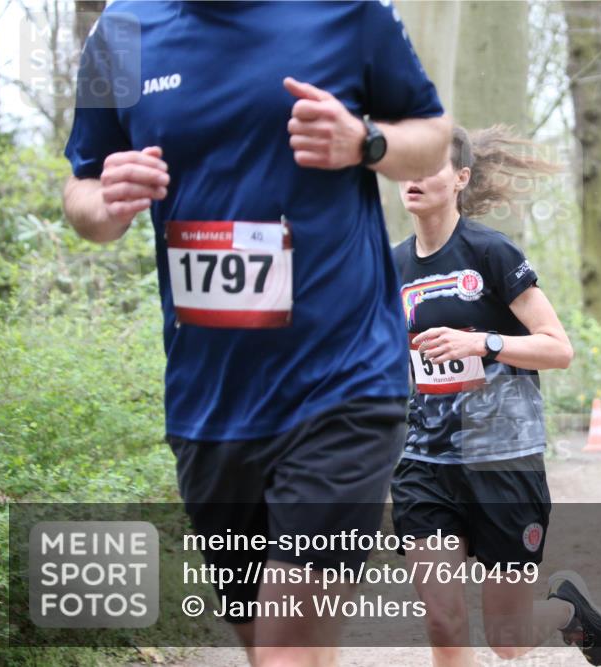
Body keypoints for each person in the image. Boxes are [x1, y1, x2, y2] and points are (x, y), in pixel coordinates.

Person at [62, 3, 451, 665]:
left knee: (284, 651)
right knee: (272, 648)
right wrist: (108, 200)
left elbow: (435, 135)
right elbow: (82, 192)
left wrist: (367, 142)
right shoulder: (120, 34)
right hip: (209, 404)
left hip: (342, 382)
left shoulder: (350, 13)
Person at [391, 126, 601, 666]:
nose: (414, 177)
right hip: (426, 464)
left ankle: (565, 610)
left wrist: (482, 342)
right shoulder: (391, 267)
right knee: (444, 621)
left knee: (507, 639)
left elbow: (558, 349)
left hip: (502, 462)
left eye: (431, 165)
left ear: (461, 178)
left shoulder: (489, 253)